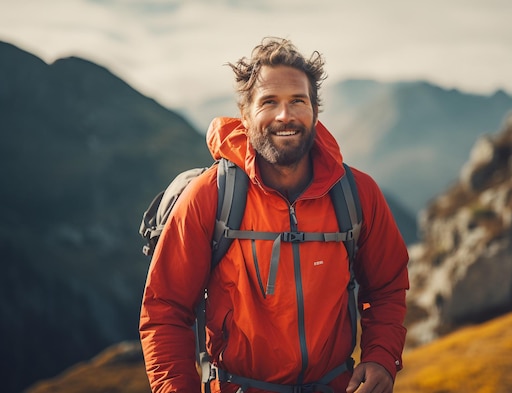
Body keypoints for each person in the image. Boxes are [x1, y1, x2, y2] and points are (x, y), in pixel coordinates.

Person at [139, 37, 409, 393]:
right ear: (246, 114)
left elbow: (387, 285)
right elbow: (165, 310)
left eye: (298, 101)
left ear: (315, 111)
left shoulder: (357, 194)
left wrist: (381, 357)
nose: (285, 115)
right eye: (269, 102)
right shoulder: (210, 197)